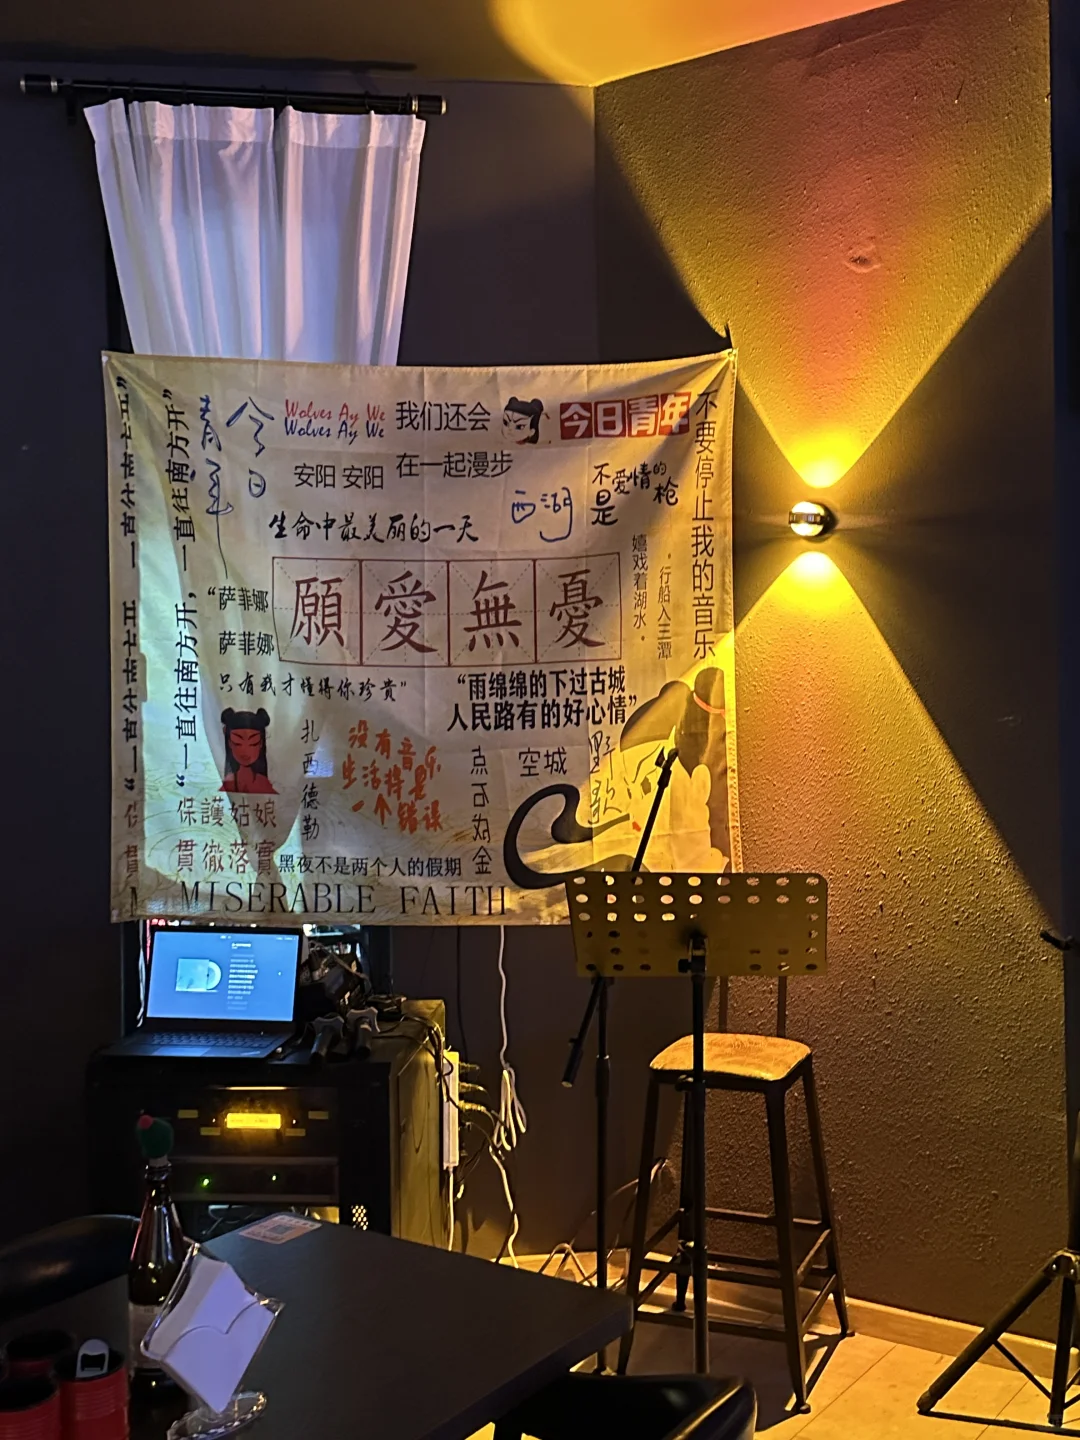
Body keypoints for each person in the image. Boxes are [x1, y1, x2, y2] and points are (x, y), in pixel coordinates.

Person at [220, 707, 276, 794]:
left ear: (261, 743)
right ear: (230, 743)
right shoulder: (227, 783)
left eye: (253, 743)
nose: (245, 750)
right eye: (237, 743)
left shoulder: (264, 784)